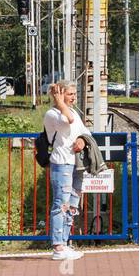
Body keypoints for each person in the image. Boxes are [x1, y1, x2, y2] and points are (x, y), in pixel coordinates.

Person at [43, 81, 86, 261]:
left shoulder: (74, 111)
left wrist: (82, 140)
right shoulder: (52, 114)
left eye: (74, 94)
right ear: (59, 94)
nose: (74, 97)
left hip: (76, 163)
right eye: (69, 94)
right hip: (62, 164)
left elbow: (84, 131)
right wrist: (59, 102)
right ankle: (58, 246)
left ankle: (65, 241)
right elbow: (68, 120)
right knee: (61, 204)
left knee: (72, 205)